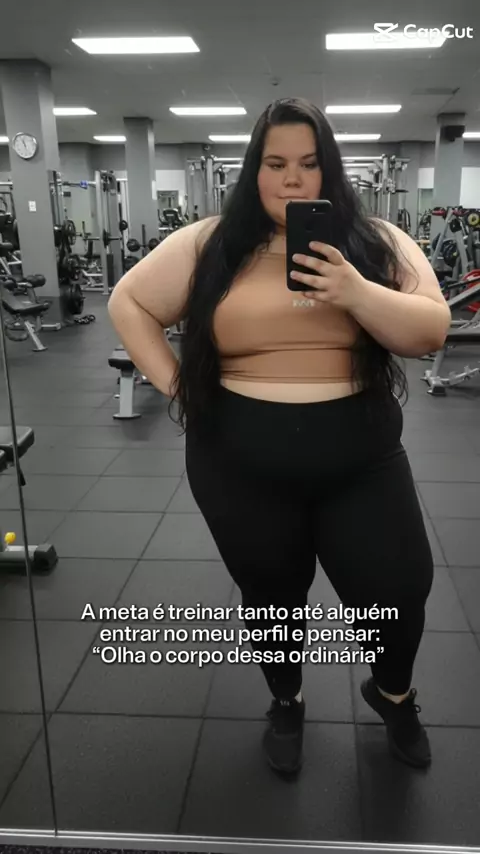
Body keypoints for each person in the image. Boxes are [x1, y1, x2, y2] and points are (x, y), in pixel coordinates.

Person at [108, 98, 451, 778]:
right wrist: (180, 389)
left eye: (308, 163)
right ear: (253, 170)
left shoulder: (375, 241)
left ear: (330, 170)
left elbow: (429, 331)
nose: (292, 178)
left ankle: (393, 695)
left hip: (360, 457)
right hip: (239, 461)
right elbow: (130, 302)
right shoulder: (209, 243)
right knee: (271, 597)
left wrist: (354, 290)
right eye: (275, 164)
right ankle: (286, 700)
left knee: (399, 587)